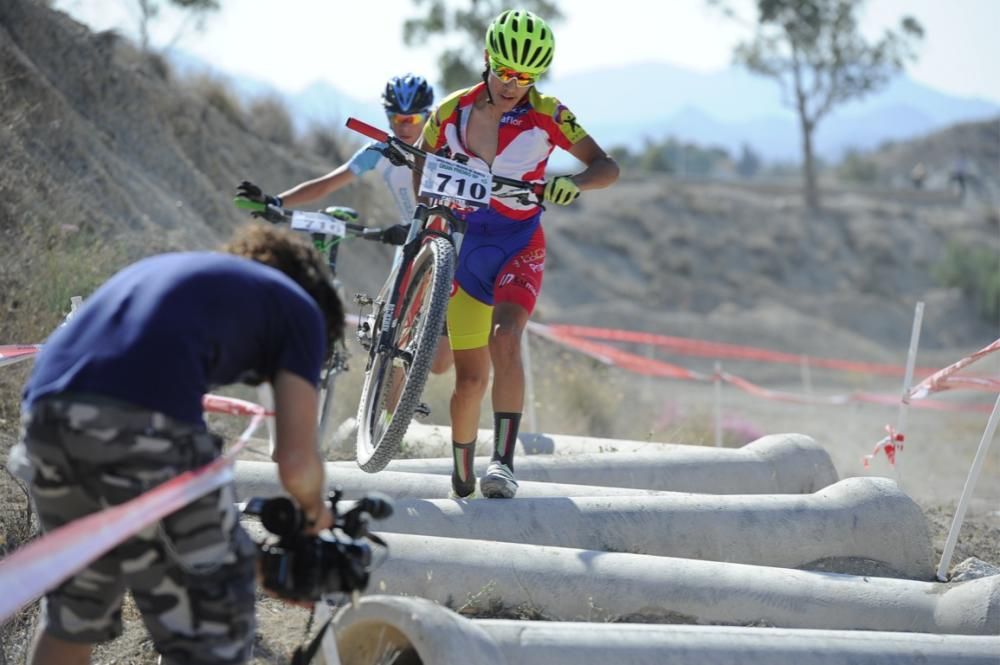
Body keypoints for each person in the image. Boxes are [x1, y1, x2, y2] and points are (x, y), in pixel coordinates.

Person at [18, 225, 343, 665]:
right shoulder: (302, 309)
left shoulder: (191, 275)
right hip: (141, 420)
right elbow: (296, 463)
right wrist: (314, 518)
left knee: (74, 612)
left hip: (44, 420)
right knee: (215, 623)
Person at [416, 9, 619, 499]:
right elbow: (421, 164)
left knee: (505, 338)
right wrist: (430, 208)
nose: (513, 84)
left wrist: (574, 183)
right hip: (467, 247)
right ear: (487, 60)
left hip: (519, 243)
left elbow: (606, 165)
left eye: (526, 76)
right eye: (506, 72)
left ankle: (503, 464)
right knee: (468, 382)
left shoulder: (548, 112)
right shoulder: (451, 110)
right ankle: (461, 470)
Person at [244, 73, 455, 374]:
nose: (405, 127)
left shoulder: (447, 150)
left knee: (438, 365)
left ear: (429, 116)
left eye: (413, 119)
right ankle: (380, 418)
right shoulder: (380, 152)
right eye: (397, 119)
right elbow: (325, 185)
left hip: (446, 243)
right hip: (409, 241)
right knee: (391, 342)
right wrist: (277, 201)